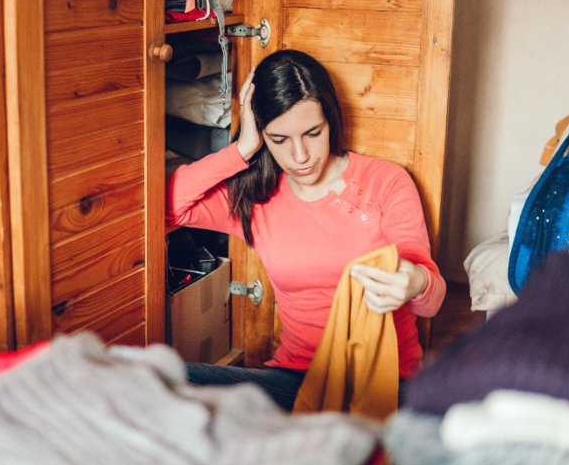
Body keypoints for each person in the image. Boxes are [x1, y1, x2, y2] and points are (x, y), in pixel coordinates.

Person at [166, 50, 446, 412]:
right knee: (171, 378)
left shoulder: (385, 182)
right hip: (296, 382)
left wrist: (417, 282)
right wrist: (242, 149)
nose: (300, 156)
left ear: (331, 120)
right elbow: (167, 208)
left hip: (387, 384)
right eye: (279, 139)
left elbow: (433, 301)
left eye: (313, 133)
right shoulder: (255, 198)